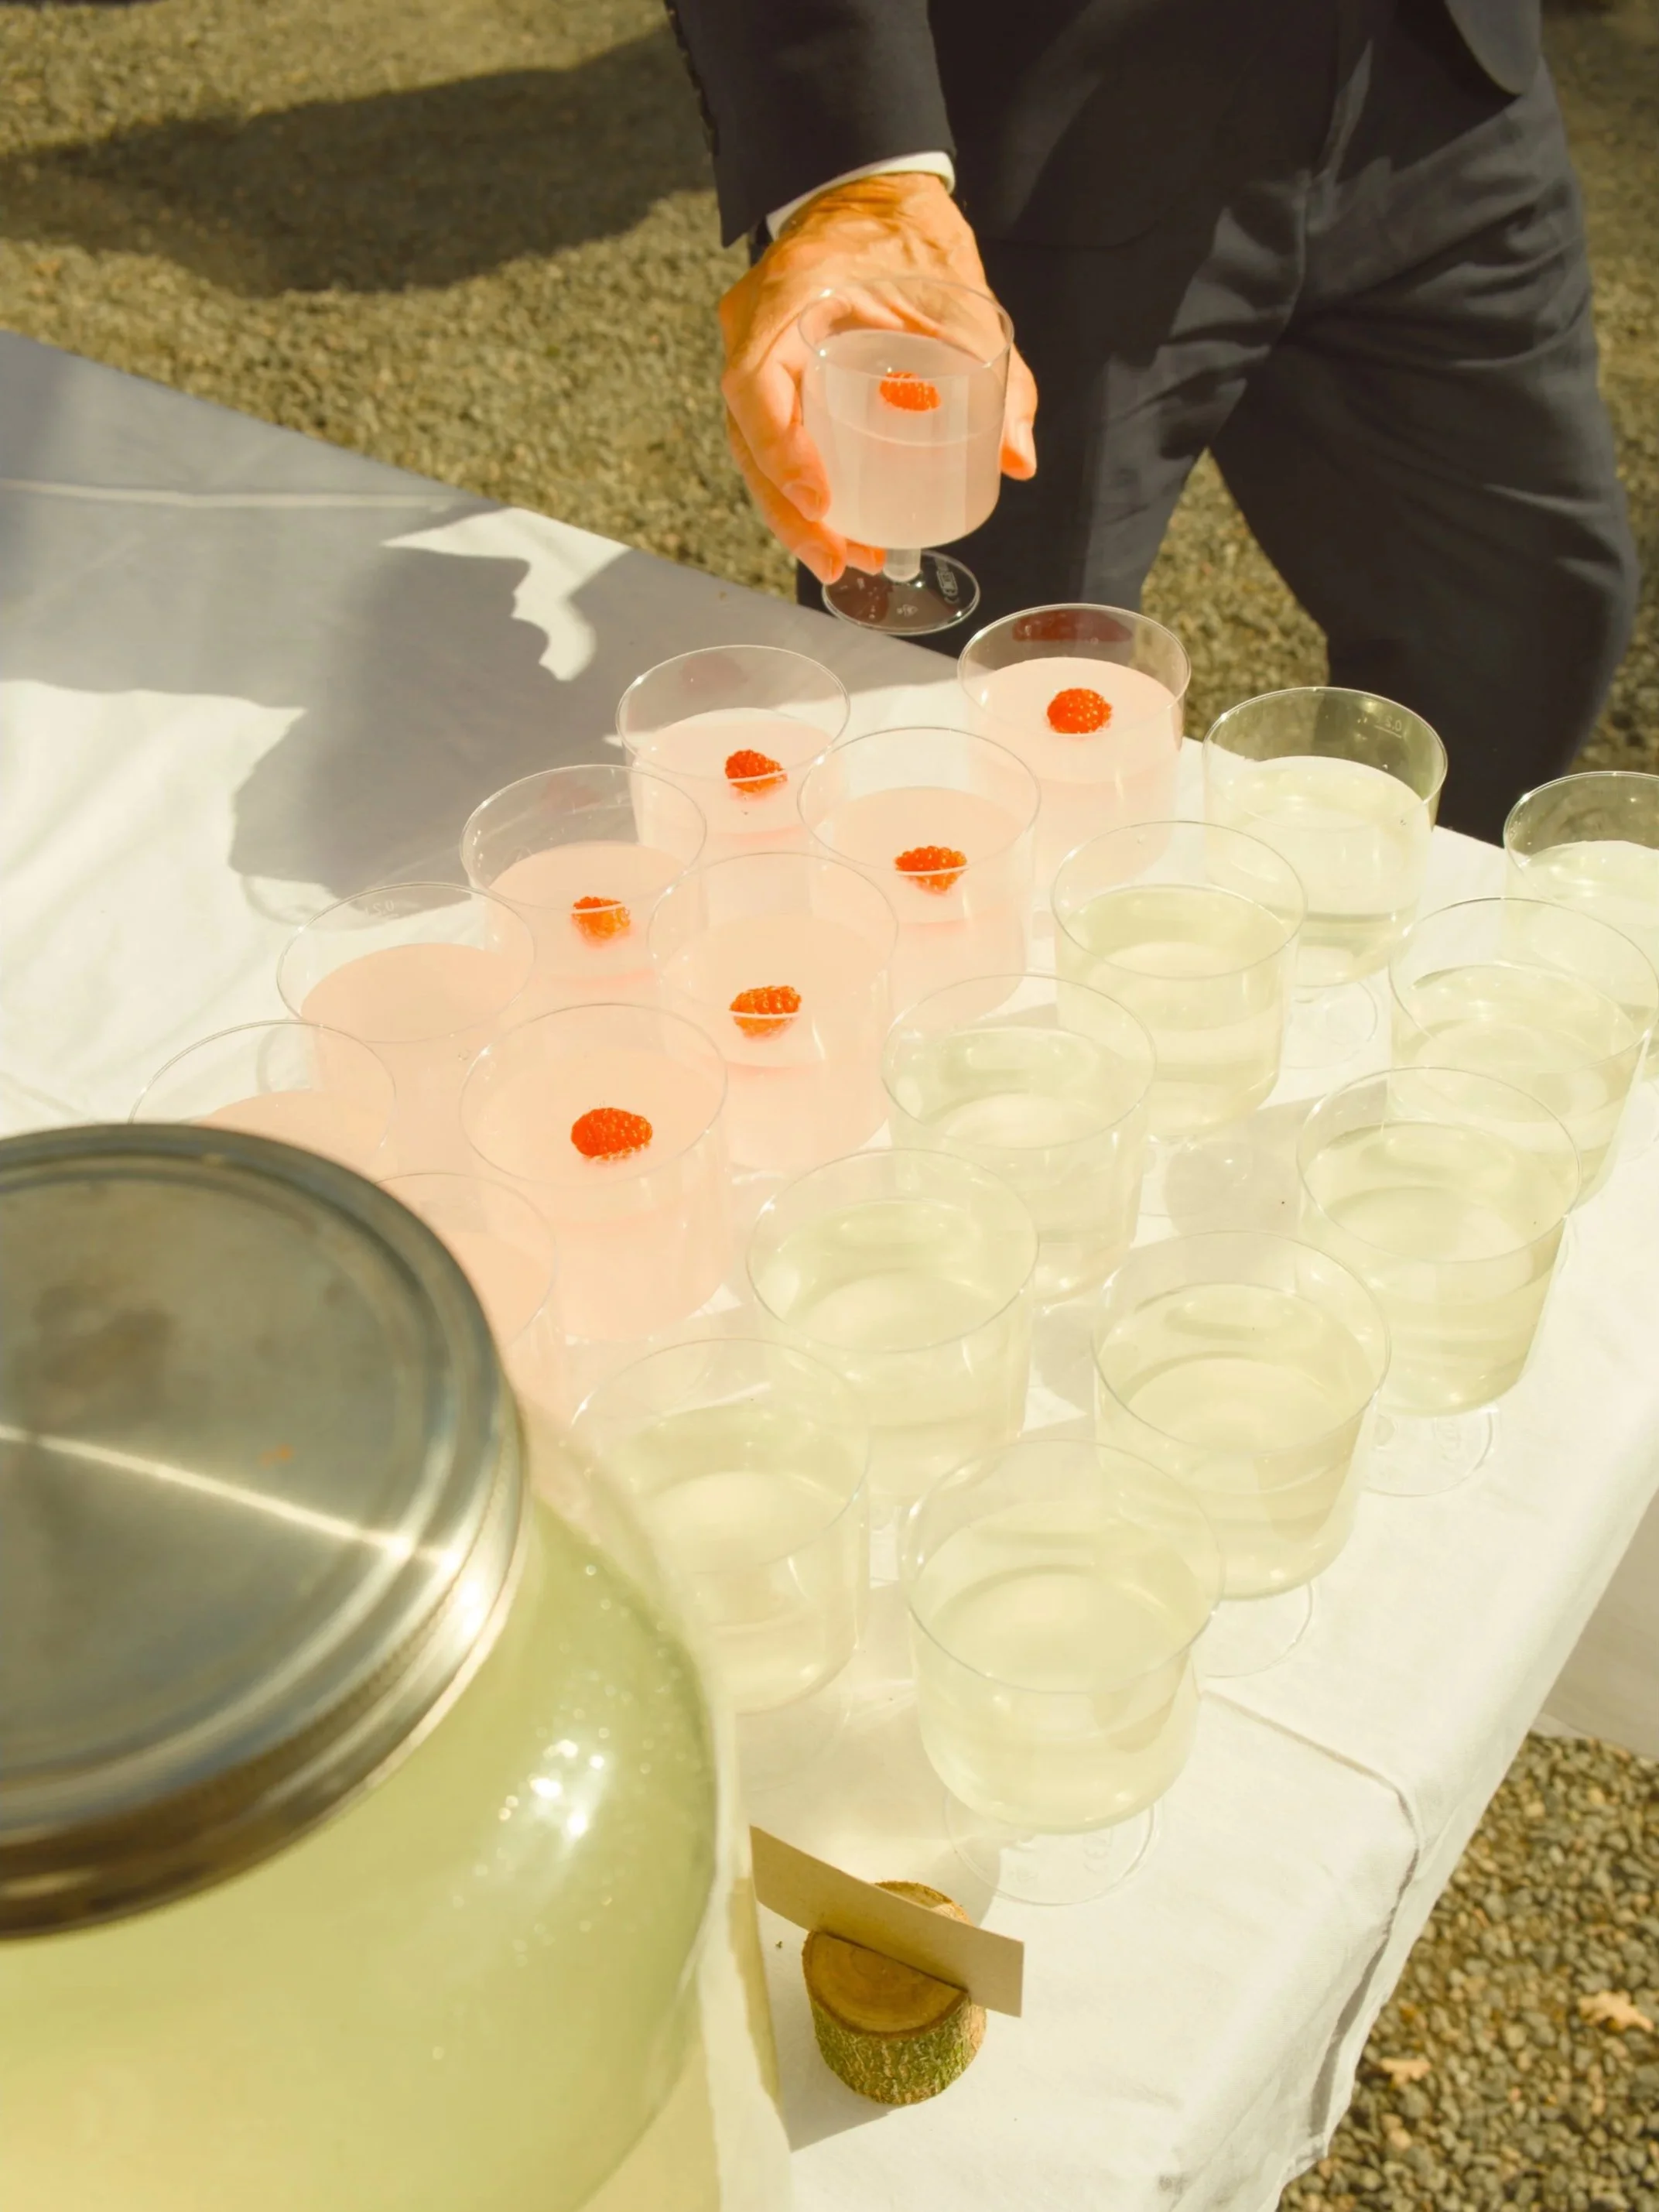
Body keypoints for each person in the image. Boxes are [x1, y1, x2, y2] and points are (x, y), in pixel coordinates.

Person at [664, 0, 1638, 841]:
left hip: (1437, 87)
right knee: (954, 727)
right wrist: (854, 169)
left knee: (1522, 620)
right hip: (1049, 114)